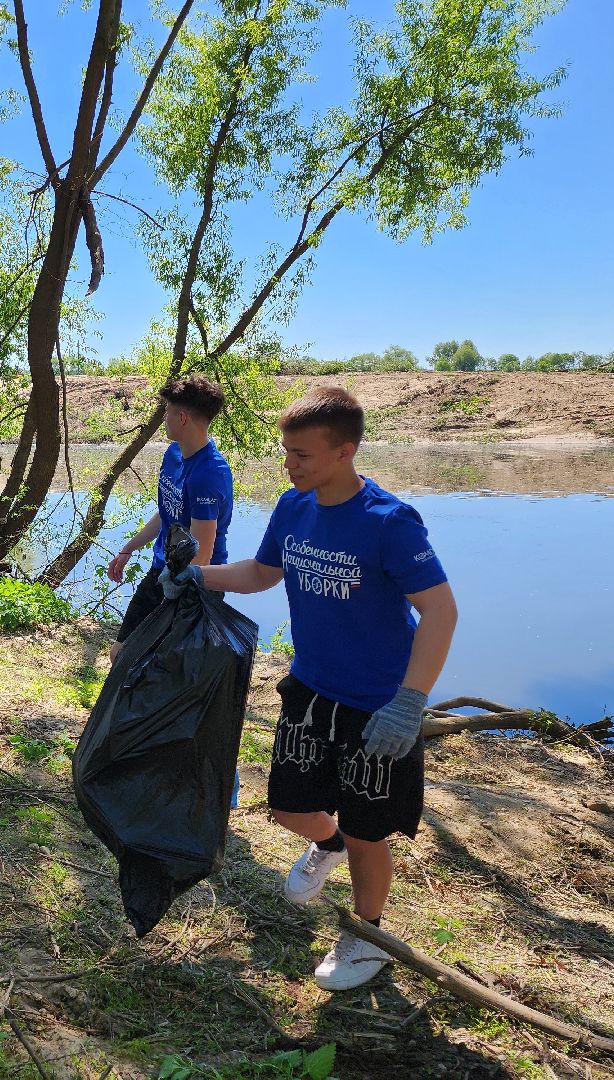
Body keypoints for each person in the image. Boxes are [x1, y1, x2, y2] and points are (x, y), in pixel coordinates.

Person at [163, 386, 458, 991]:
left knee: (369, 831)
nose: (288, 464)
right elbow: (262, 572)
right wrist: (197, 576)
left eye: (301, 455)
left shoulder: (389, 522)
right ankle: (329, 845)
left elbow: (440, 611)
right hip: (311, 688)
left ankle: (369, 936)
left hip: (379, 705)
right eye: (286, 451)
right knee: (288, 806)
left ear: (345, 452)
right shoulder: (293, 507)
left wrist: (410, 702)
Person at [106, 375, 233, 662]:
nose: (164, 417)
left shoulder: (209, 474)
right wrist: (129, 547)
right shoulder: (174, 454)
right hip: (162, 571)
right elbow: (167, 513)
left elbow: (202, 554)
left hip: (193, 585)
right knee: (120, 653)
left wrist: (171, 592)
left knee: (161, 670)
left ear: (183, 417)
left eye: (167, 411)